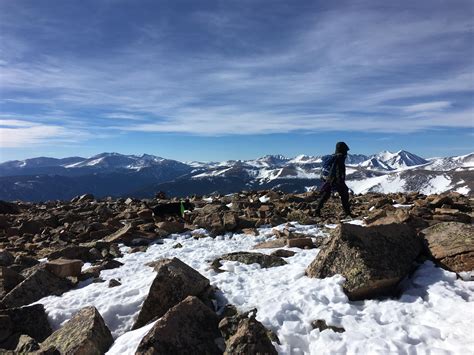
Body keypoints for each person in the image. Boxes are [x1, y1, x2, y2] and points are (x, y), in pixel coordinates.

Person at [315, 141, 353, 218]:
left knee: (326, 195)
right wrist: (340, 182)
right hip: (334, 180)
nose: (346, 152)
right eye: (345, 150)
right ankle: (348, 213)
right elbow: (337, 170)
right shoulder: (340, 158)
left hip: (328, 180)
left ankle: (317, 211)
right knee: (344, 194)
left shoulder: (333, 157)